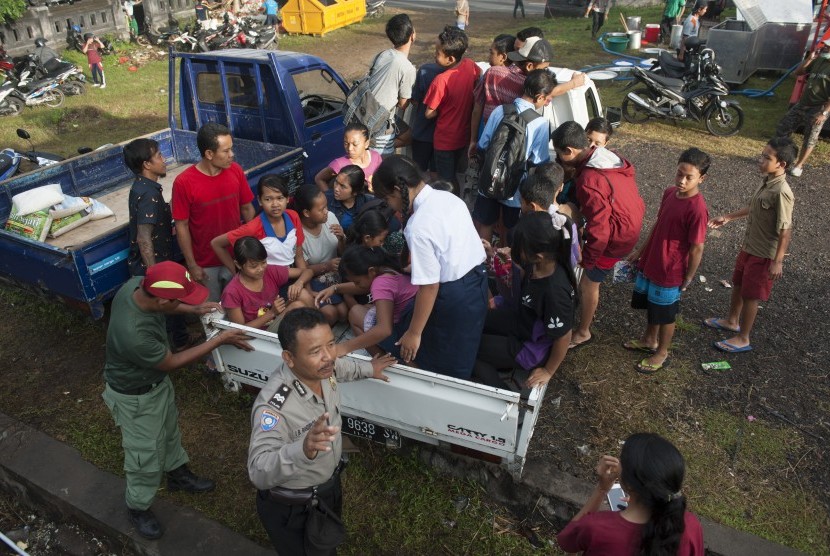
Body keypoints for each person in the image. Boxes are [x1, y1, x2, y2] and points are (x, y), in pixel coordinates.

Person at [102, 261, 253, 539]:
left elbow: (169, 305)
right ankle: (137, 506)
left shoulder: (136, 284)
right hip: (134, 396)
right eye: (180, 300)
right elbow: (171, 362)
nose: (183, 303)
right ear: (161, 299)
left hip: (155, 385)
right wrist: (219, 340)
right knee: (144, 454)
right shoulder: (134, 333)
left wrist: (194, 309)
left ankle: (177, 473)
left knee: (169, 432)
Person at [247, 308, 395, 554]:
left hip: (326, 488)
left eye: (331, 345)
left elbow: (341, 368)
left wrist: (370, 369)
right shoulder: (274, 408)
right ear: (289, 358)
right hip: (294, 506)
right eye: (315, 351)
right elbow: (258, 472)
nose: (328, 357)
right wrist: (302, 450)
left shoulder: (322, 369)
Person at [372, 155, 488, 379]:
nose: (391, 206)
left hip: (453, 298)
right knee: (463, 349)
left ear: (397, 190)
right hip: (477, 283)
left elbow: (430, 287)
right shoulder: (448, 198)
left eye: (388, 199)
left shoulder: (418, 227)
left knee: (440, 361)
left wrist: (414, 333)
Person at [551, 121, 645, 349]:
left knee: (589, 282)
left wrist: (588, 258)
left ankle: (583, 331)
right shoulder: (607, 157)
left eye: (559, 154)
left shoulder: (589, 180)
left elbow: (600, 228)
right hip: (631, 221)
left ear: (570, 151)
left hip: (617, 236)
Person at [704, 137, 796, 353]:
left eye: (766, 157)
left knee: (751, 295)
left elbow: (786, 229)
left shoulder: (782, 191)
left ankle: (743, 337)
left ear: (781, 164)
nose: (760, 160)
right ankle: (731, 320)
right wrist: (728, 217)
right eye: (762, 155)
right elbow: (753, 207)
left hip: (764, 254)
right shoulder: (767, 181)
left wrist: (778, 261)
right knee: (738, 284)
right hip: (749, 247)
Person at [626, 148, 710, 373]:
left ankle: (662, 352)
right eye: (679, 174)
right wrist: (641, 250)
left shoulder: (698, 209)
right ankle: (649, 340)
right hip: (653, 260)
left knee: (666, 313)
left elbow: (697, 247)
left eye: (689, 177)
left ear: (702, 178)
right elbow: (658, 223)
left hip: (671, 269)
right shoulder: (669, 193)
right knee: (652, 305)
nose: (682, 181)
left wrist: (689, 276)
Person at [557, 433, 705, 555]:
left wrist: (601, 489)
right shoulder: (691, 525)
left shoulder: (596, 527)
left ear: (629, 484)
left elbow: (566, 543)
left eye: (622, 459)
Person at [475, 212, 576, 390]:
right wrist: (498, 259)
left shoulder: (555, 292)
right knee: (474, 321)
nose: (514, 249)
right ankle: (501, 360)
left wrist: (548, 370)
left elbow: (563, 335)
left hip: (530, 348)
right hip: (522, 323)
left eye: (519, 247)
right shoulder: (535, 264)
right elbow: (515, 288)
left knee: (471, 347)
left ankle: (504, 395)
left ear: (538, 256)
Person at [124, 138, 194, 352]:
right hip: (155, 263)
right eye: (159, 156)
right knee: (167, 301)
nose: (164, 160)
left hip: (153, 261)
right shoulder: (149, 194)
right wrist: (155, 273)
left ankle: (178, 338)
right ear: (147, 164)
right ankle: (180, 342)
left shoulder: (142, 187)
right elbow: (144, 237)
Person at [172, 122, 255, 302]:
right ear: (209, 154)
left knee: (239, 307)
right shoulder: (183, 182)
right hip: (205, 265)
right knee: (212, 314)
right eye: (226, 151)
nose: (231, 155)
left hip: (236, 258)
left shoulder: (236, 171)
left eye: (231, 149)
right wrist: (192, 265)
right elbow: (182, 226)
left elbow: (247, 208)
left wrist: (253, 248)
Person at [472, 69, 555, 244]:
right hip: (516, 188)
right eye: (547, 98)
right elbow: (539, 162)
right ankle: (506, 264)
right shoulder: (539, 123)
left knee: (485, 223)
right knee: (510, 228)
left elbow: (483, 145)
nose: (547, 102)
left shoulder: (500, 110)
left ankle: (483, 263)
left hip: (490, 178)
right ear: (539, 96)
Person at [211, 175, 314, 301]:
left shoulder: (293, 217)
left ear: (287, 199)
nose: (275, 204)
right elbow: (216, 244)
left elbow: (299, 256)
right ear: (260, 200)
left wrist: (306, 287)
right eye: (268, 199)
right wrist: (238, 273)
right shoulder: (253, 227)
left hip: (294, 274)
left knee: (307, 298)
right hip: (268, 281)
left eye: (280, 198)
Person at [333, 245, 419, 359]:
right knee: (368, 307)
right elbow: (363, 286)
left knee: (355, 312)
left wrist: (343, 348)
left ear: (371, 271)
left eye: (357, 282)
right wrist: (335, 288)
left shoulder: (380, 283)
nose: (357, 286)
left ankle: (386, 360)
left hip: (403, 334)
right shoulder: (389, 267)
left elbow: (384, 329)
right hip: (413, 323)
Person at [423, 26, 481, 192]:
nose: (434, 55)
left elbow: (429, 113)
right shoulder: (470, 65)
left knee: (446, 181)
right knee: (456, 174)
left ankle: (453, 203)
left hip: (445, 140)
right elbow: (479, 75)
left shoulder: (441, 80)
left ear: (449, 59)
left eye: (437, 52)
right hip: (463, 137)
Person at [221, 236, 313, 330]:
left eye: (263, 262)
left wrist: (299, 283)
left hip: (276, 318)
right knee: (297, 306)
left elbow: (308, 272)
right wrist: (271, 313)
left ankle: (317, 329)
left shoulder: (269, 271)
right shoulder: (232, 292)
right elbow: (239, 331)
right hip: (260, 334)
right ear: (238, 265)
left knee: (303, 294)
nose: (261, 269)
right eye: (254, 266)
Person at [774, 37, 830, 178]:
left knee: (810, 137)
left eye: (828, 47)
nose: (825, 48)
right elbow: (798, 72)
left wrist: (824, 113)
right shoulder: (819, 61)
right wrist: (810, 59)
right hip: (803, 103)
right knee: (783, 128)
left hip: (818, 108)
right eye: (825, 46)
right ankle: (779, 157)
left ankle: (799, 165)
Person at [293, 185, 348, 325]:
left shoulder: (330, 218)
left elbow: (343, 253)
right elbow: (304, 269)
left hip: (336, 275)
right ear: (306, 212)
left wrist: (342, 239)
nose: (326, 211)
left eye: (326, 206)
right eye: (321, 209)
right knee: (331, 313)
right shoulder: (297, 234)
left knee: (343, 313)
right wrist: (327, 266)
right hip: (315, 278)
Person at [367, 14, 417, 155]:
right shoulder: (407, 68)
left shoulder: (382, 54)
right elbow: (403, 104)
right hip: (381, 121)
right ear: (412, 35)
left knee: (407, 135)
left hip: (366, 113)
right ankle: (376, 146)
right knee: (381, 167)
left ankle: (369, 145)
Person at [518, 162, 580, 269]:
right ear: (561, 187)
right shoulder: (571, 211)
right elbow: (578, 257)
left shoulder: (529, 218)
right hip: (565, 273)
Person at [314, 123, 383, 192]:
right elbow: (319, 178)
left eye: (355, 144)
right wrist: (330, 198)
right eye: (346, 143)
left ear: (366, 144)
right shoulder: (339, 164)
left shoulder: (375, 157)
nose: (349, 148)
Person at [409, 60, 444, 176]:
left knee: (418, 173)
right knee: (438, 175)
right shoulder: (462, 72)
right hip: (445, 137)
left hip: (422, 133)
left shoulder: (426, 70)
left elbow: (415, 100)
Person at [324, 165, 375, 233]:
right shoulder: (325, 200)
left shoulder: (369, 204)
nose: (336, 189)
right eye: (336, 182)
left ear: (355, 192)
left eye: (342, 186)